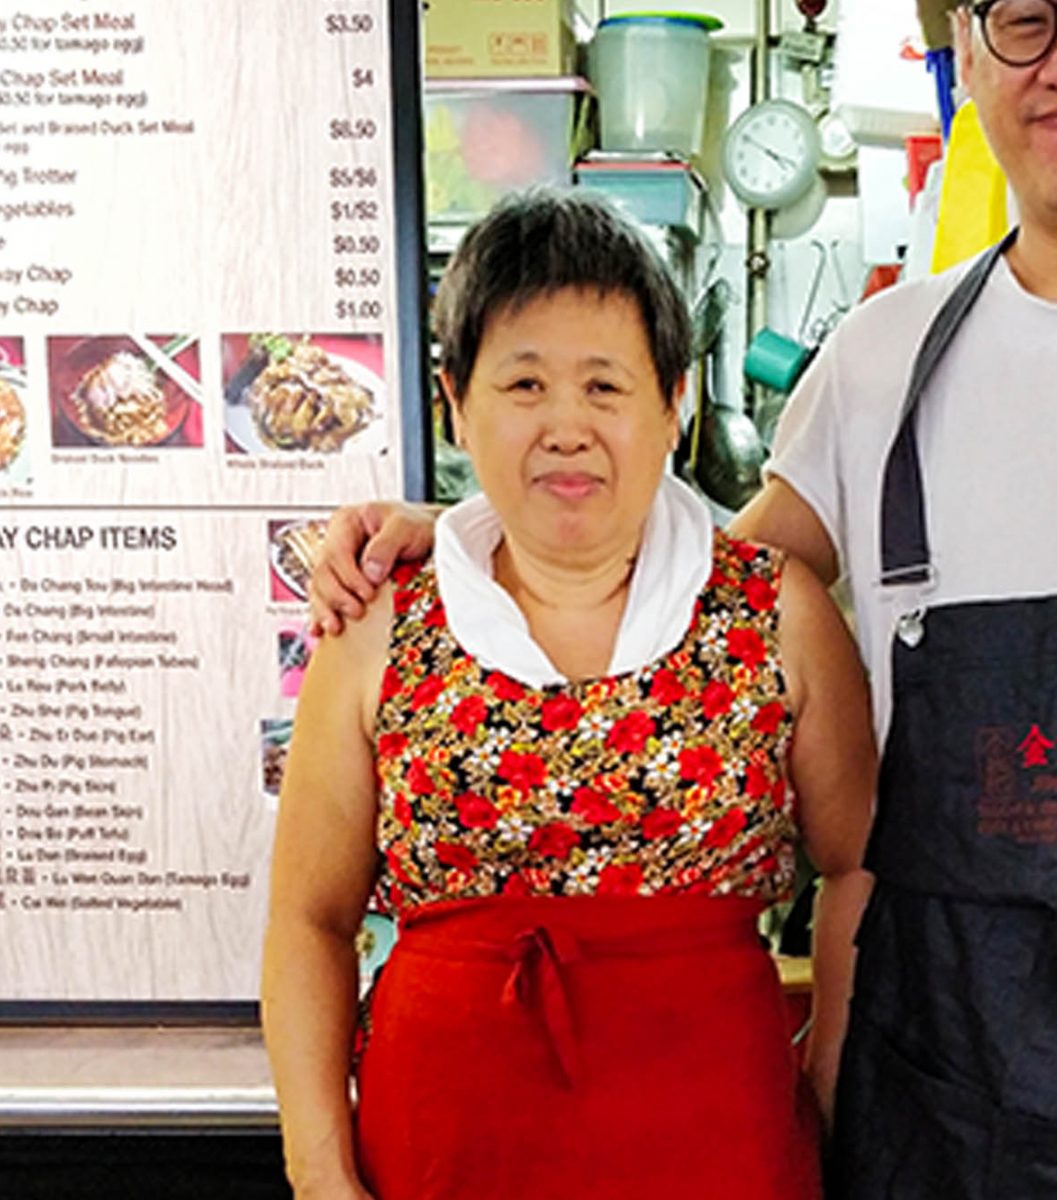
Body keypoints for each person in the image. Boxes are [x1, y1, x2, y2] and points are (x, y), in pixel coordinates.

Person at [310, 2, 1057, 1197]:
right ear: (969, 50)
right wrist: (466, 540)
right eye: (1024, 21)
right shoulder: (878, 358)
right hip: (933, 1094)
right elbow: (698, 584)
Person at [262, 189, 875, 1200]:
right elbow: (308, 921)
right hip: (439, 1151)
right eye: (523, 384)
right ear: (455, 400)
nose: (565, 428)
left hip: (720, 1140)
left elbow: (859, 867)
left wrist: (829, 1094)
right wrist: (321, 1176)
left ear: (671, 404)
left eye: (604, 386)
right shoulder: (380, 622)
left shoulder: (774, 612)